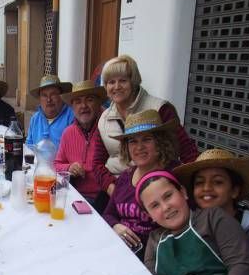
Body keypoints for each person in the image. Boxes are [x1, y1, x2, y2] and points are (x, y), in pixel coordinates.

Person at [92, 55, 198, 197]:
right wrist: (113, 190)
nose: (116, 87)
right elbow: (97, 163)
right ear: (105, 87)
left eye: (123, 80)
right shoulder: (104, 119)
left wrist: (194, 187)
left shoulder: (159, 109)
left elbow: (187, 151)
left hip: (156, 187)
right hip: (117, 188)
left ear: (133, 82)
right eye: (111, 82)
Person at [102, 110, 180, 256]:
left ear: (160, 142)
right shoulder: (125, 177)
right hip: (121, 251)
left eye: (147, 139)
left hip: (158, 257)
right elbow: (108, 214)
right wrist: (116, 226)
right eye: (133, 141)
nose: (139, 147)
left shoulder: (174, 175)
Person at [54, 80, 107, 212]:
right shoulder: (68, 132)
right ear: (72, 107)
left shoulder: (107, 129)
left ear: (98, 102)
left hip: (102, 198)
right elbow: (56, 164)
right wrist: (69, 167)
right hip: (73, 195)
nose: (83, 106)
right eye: (77, 102)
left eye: (89, 100)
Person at [25, 75, 74, 151]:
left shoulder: (71, 116)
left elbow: (74, 150)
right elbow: (29, 147)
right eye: (44, 95)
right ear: (39, 99)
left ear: (61, 96)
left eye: (53, 94)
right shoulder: (35, 118)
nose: (49, 100)